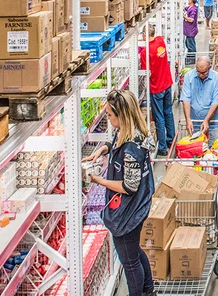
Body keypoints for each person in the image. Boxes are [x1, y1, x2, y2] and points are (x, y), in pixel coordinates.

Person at [82, 90, 156, 296]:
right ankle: (149, 291)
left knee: (129, 262)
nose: (107, 118)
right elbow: (115, 142)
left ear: (122, 116)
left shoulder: (131, 150)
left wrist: (99, 181)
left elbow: (128, 187)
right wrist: (103, 149)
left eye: (109, 115)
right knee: (134, 252)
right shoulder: (133, 133)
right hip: (138, 207)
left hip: (128, 213)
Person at [140, 25, 175, 157]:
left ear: (144, 35)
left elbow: (146, 72)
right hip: (167, 83)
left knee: (159, 117)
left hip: (157, 87)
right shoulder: (160, 41)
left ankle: (162, 147)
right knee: (168, 112)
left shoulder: (145, 52)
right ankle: (171, 140)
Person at [180, 56, 218, 138]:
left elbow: (216, 102)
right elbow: (186, 99)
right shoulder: (189, 76)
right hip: (194, 124)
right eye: (198, 72)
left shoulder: (217, 78)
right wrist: (188, 119)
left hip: (213, 125)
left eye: (204, 73)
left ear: (210, 68)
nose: (200, 75)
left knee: (214, 148)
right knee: (196, 148)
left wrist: (206, 120)